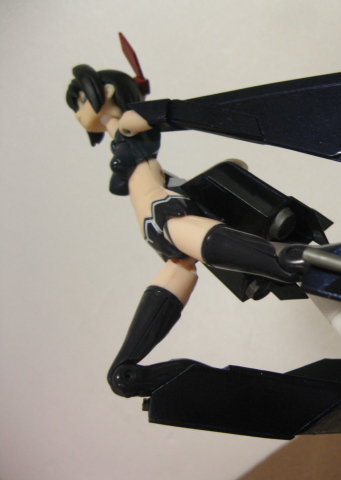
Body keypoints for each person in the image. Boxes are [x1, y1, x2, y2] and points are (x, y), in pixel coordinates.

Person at [67, 65, 300, 397]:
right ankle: (206, 387)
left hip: (166, 214)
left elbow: (184, 114)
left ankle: (311, 265)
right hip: (160, 239)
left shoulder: (129, 124)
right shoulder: (118, 138)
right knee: (123, 373)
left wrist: (256, 121)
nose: (78, 112)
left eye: (80, 100)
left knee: (280, 265)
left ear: (105, 92)